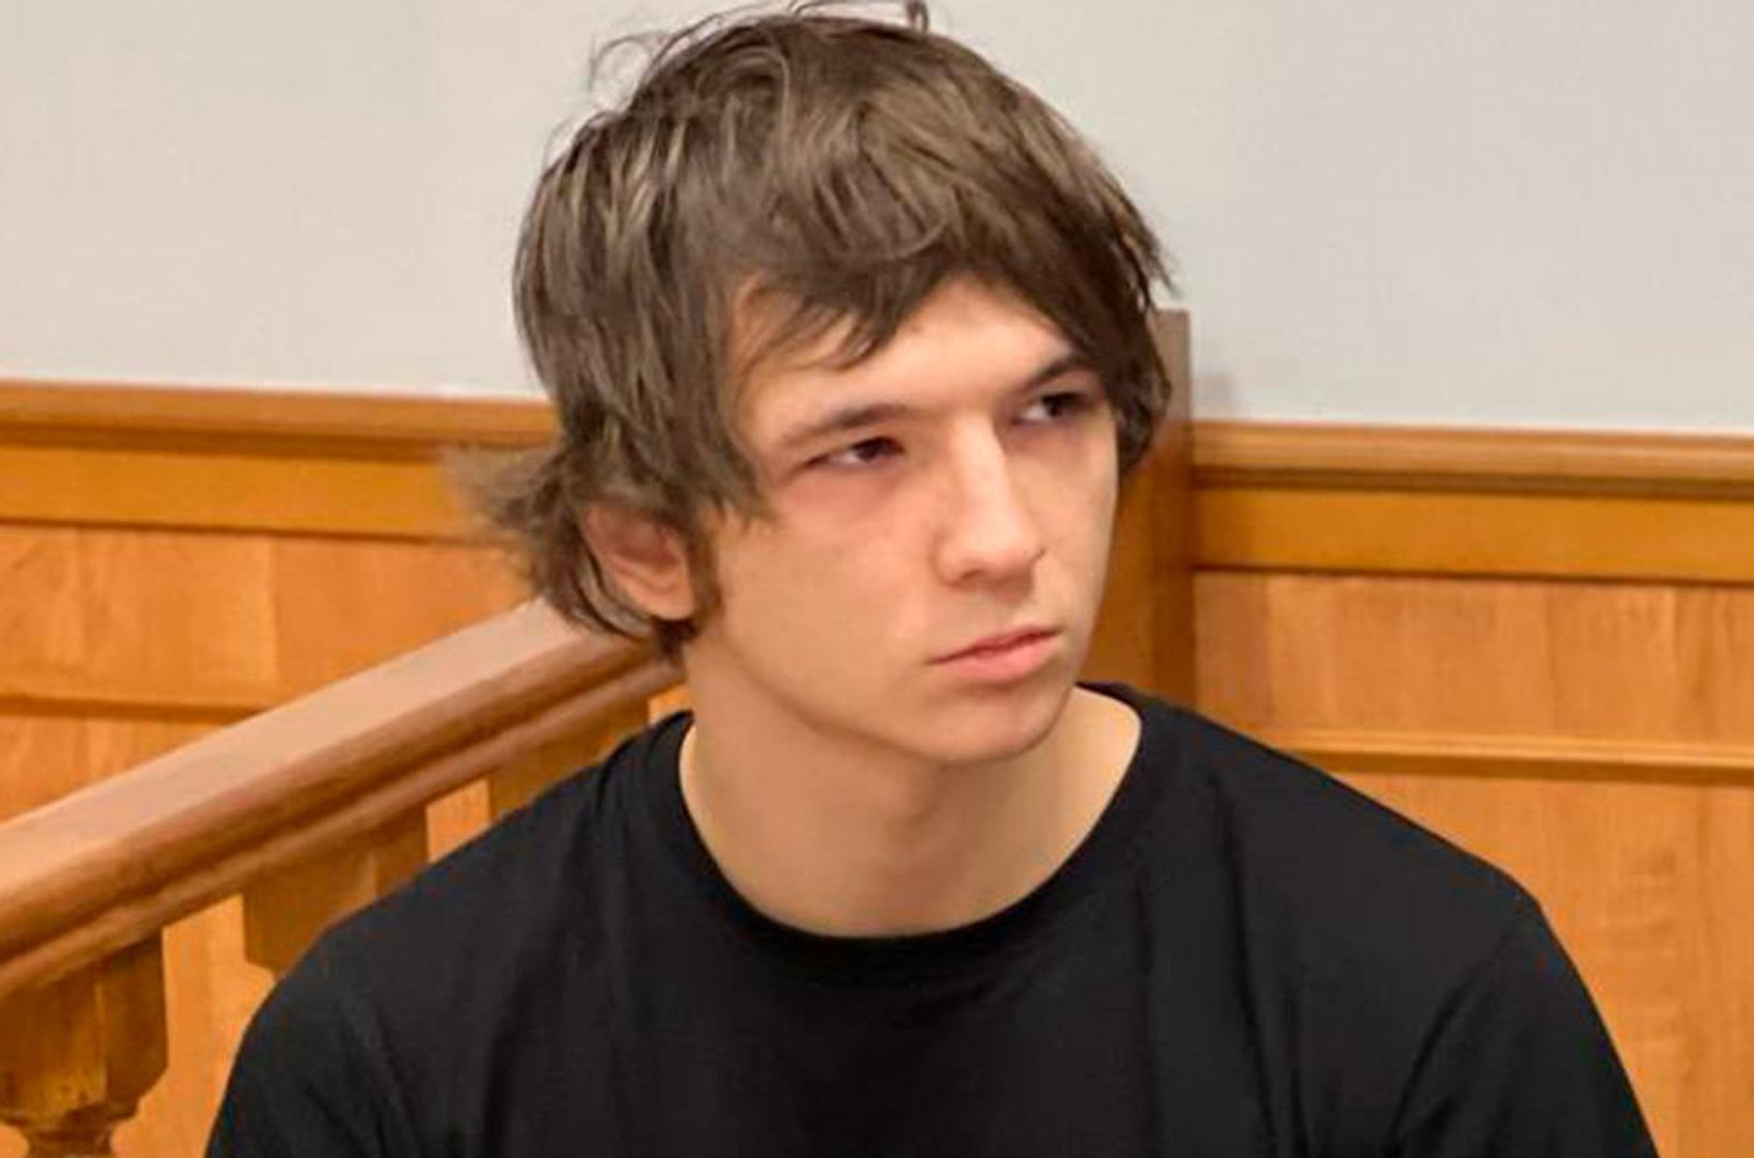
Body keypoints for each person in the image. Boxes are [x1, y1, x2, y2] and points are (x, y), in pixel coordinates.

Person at [208, 3, 1659, 1155]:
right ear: (645, 541)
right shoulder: (392, 1059)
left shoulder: (1423, 995)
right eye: (864, 449)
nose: (1003, 537)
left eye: (1051, 411)